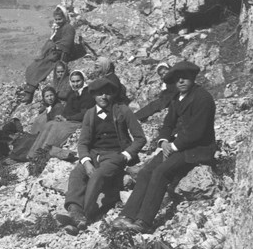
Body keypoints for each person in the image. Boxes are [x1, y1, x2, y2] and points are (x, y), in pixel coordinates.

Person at [115, 59, 216, 235]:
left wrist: (173, 146)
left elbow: (196, 132)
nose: (181, 82)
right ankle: (127, 215)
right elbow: (168, 124)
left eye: (185, 78)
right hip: (178, 146)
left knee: (161, 172)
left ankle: (144, 221)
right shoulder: (177, 98)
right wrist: (163, 141)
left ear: (193, 78)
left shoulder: (203, 98)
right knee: (146, 171)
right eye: (177, 79)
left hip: (197, 149)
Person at [57, 76, 146, 236]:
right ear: (93, 96)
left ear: (112, 94)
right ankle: (75, 211)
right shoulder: (90, 114)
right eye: (99, 94)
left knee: (98, 175)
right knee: (77, 173)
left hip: (115, 155)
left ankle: (83, 216)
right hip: (94, 154)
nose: (103, 97)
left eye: (107, 93)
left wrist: (125, 155)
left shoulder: (123, 110)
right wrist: (86, 162)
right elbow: (83, 143)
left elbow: (140, 138)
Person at [25, 70, 92, 160]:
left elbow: (85, 114)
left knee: (56, 127)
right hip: (70, 120)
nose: (75, 84)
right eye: (73, 81)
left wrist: (67, 118)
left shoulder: (87, 94)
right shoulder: (72, 93)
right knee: (50, 124)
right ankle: (33, 154)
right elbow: (67, 109)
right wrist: (62, 116)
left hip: (79, 122)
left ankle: (44, 153)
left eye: (78, 81)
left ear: (83, 81)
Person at [22, 5, 77, 103]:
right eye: (56, 19)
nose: (57, 21)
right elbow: (53, 39)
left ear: (65, 17)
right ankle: (28, 89)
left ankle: (29, 92)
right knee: (33, 66)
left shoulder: (69, 28)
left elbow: (67, 43)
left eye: (59, 19)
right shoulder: (60, 28)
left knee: (41, 67)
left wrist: (55, 46)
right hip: (54, 53)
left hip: (61, 55)